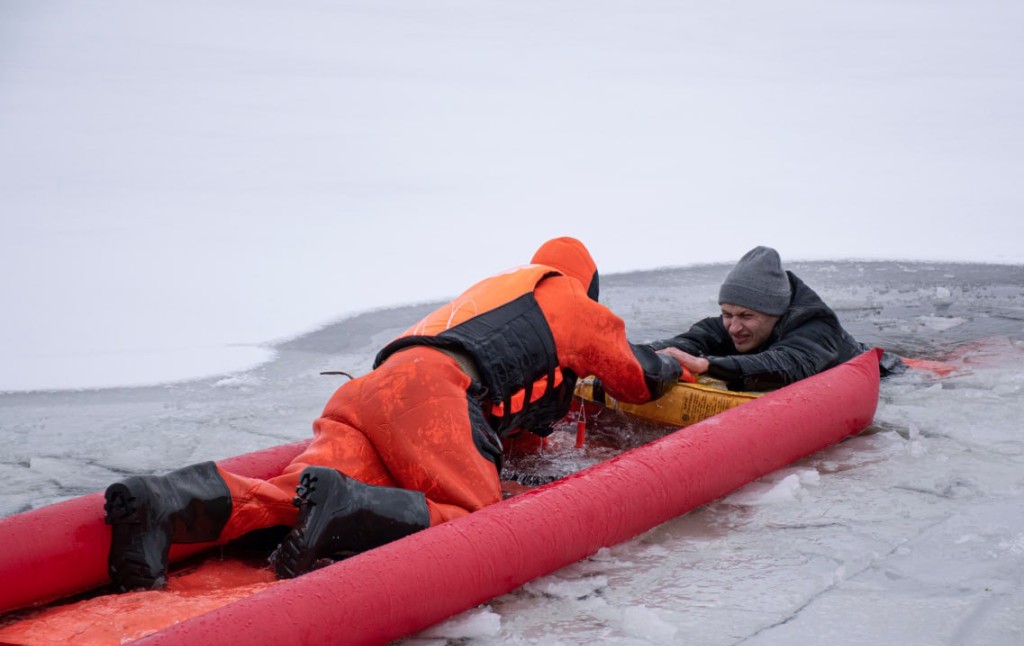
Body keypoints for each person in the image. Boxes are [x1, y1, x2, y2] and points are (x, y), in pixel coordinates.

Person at [104, 236, 684, 591]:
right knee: (477, 518)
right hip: (432, 399)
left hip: (369, 391)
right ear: (588, 287)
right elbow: (634, 378)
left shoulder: (494, 295)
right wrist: (682, 367)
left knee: (290, 492)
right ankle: (350, 508)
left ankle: (169, 501)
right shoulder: (572, 302)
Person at [650, 246, 904, 390]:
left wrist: (708, 365)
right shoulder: (731, 326)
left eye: (746, 316)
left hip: (893, 380)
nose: (734, 327)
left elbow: (786, 364)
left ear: (776, 313)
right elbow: (693, 340)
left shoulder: (817, 327)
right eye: (727, 314)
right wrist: (645, 355)